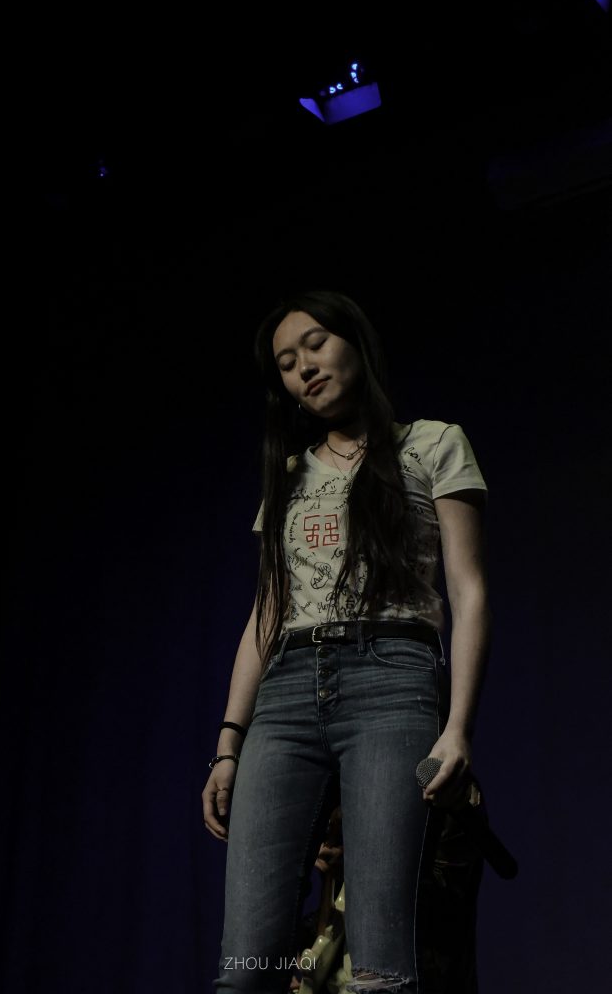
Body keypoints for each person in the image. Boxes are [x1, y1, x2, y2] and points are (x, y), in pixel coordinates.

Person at [202, 290, 491, 993]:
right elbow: (266, 612)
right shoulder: (289, 477)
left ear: (356, 343)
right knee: (245, 970)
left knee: (380, 968)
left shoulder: (433, 443)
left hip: (392, 680)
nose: (304, 367)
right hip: (286, 694)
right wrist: (228, 743)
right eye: (286, 363)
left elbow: (468, 590)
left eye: (315, 345)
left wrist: (457, 727)